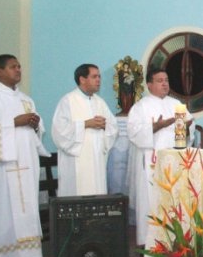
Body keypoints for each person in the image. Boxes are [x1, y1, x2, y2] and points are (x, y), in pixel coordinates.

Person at [0, 55, 49, 257]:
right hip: (1, 169)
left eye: (19, 66)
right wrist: (14, 122)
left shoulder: (26, 99)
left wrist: (36, 125)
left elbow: (38, 133)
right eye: (12, 67)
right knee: (3, 213)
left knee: (26, 210)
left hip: (26, 164)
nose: (18, 70)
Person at [126, 67, 192, 246]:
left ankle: (176, 241)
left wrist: (187, 127)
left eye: (166, 80)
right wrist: (156, 126)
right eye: (160, 80)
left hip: (175, 161)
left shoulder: (176, 104)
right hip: (151, 162)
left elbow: (187, 135)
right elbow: (134, 133)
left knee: (175, 200)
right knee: (151, 200)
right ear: (149, 85)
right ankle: (151, 243)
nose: (165, 84)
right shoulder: (140, 107)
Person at [52, 63, 118, 196]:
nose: (99, 80)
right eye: (94, 76)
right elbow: (59, 132)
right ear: (82, 79)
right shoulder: (68, 101)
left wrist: (105, 125)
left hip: (97, 160)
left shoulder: (100, 102)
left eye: (99, 76)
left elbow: (113, 127)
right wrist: (86, 124)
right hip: (76, 161)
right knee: (78, 193)